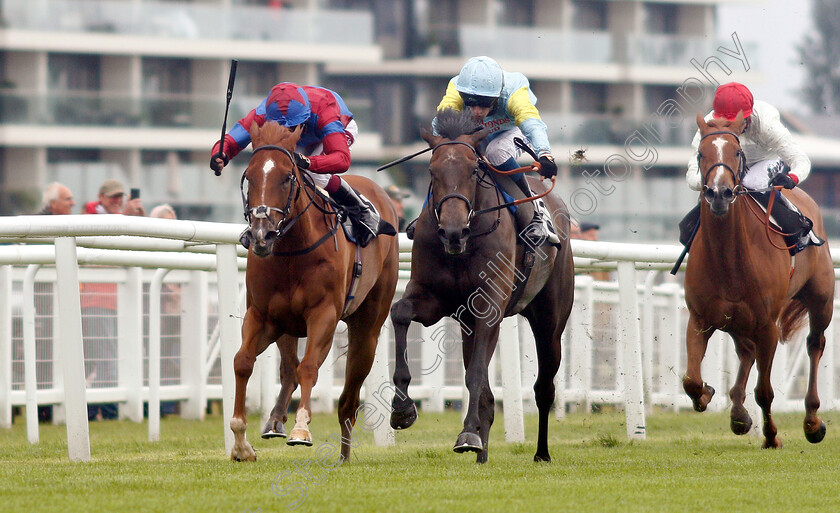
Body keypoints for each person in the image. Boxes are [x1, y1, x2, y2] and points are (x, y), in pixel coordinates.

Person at [209, 82, 383, 247]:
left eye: (292, 127)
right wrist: (220, 153)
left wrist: (308, 161)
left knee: (313, 174)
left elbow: (341, 159)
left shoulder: (325, 110)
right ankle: (262, 221)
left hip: (338, 128)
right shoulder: (263, 113)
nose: (287, 133)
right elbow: (232, 139)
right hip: (307, 132)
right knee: (275, 169)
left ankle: (362, 209)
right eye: (281, 127)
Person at [429, 56, 560, 247]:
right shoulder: (456, 89)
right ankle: (427, 213)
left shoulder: (515, 93)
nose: (476, 111)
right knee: (449, 159)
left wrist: (545, 154)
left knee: (495, 152)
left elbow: (531, 124)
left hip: (511, 131)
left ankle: (538, 213)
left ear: (498, 96)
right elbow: (439, 123)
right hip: (476, 134)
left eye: (484, 104)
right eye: (471, 103)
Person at [683, 82, 822, 253]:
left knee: (752, 182)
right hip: (730, 165)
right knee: (715, 187)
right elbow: (692, 177)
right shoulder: (707, 128)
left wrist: (792, 177)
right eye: (726, 122)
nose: (732, 127)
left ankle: (797, 223)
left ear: (747, 116)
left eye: (736, 122)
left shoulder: (766, 123)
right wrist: (708, 182)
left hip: (766, 161)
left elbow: (800, 160)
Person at [80, 179, 145, 420]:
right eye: (113, 197)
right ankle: (106, 410)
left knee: (99, 358)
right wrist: (124, 218)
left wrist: (137, 221)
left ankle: (94, 408)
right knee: (104, 358)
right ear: (101, 198)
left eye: (121, 196)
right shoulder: (89, 219)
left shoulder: (105, 217)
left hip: (110, 301)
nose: (118, 201)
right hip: (95, 301)